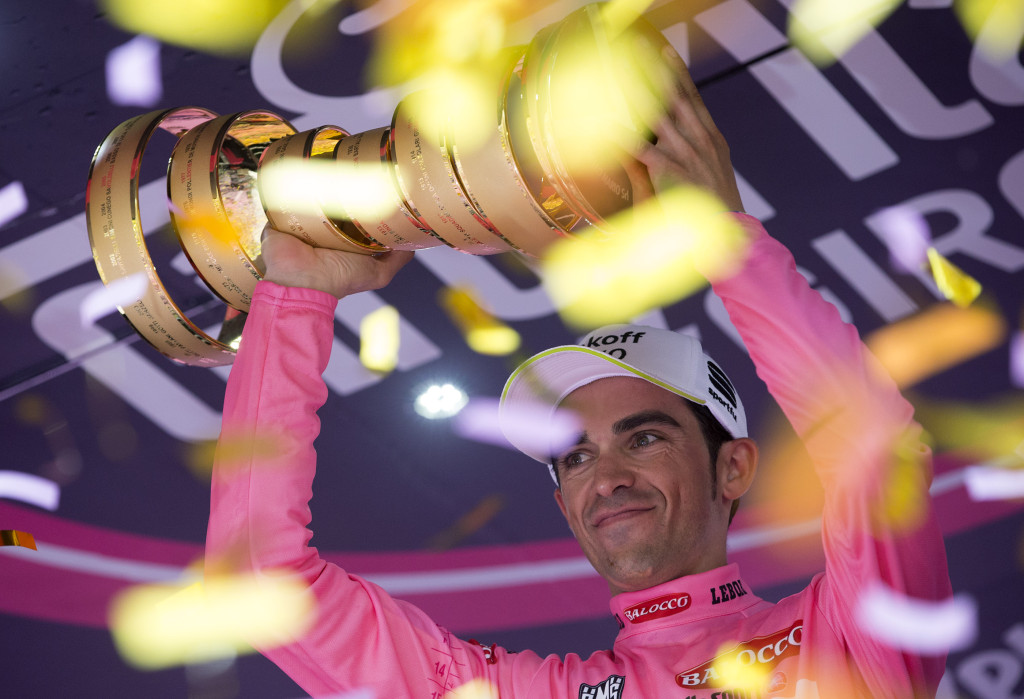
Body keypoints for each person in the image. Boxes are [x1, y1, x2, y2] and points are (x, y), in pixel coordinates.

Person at [205, 58, 952, 698]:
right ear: (563, 504)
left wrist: (726, 243)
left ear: (734, 465)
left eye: (646, 436)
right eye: (577, 455)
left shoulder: (844, 642)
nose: (610, 477)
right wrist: (296, 294)